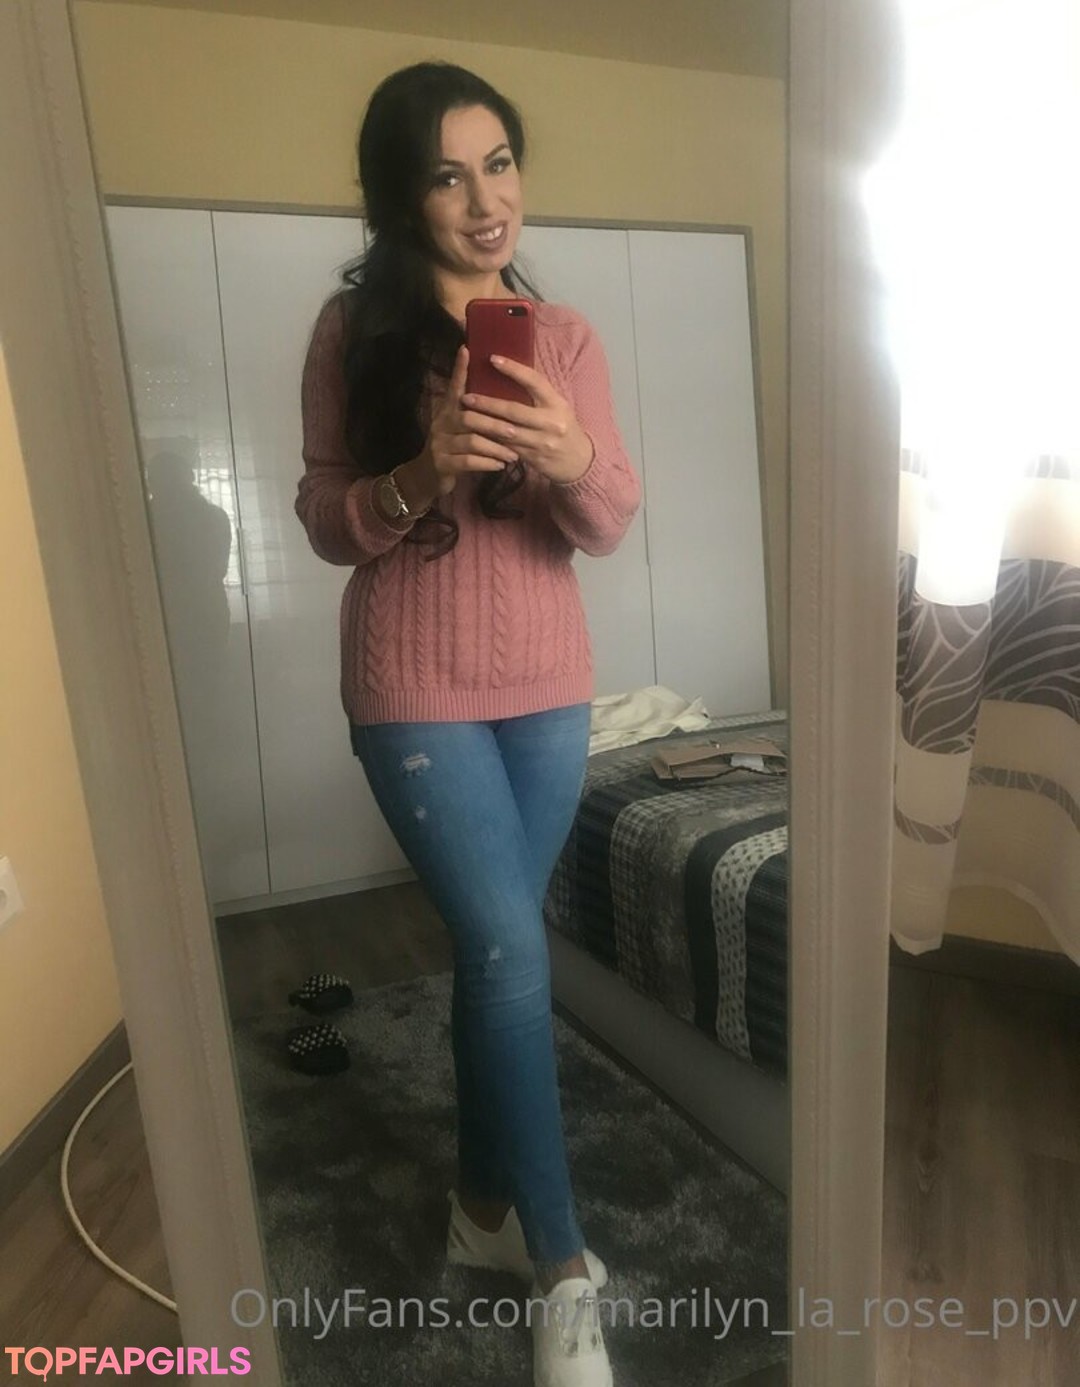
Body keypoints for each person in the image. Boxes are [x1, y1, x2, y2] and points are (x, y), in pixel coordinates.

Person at [294, 60, 641, 1387]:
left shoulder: (565, 341)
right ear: (402, 196)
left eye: (500, 163)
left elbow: (607, 520)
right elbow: (327, 520)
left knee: (497, 953)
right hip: (412, 689)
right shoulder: (351, 336)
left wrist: (569, 461)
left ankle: (480, 1210)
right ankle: (563, 1271)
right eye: (449, 175)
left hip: (549, 688)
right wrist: (420, 471)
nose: (487, 199)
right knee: (505, 943)